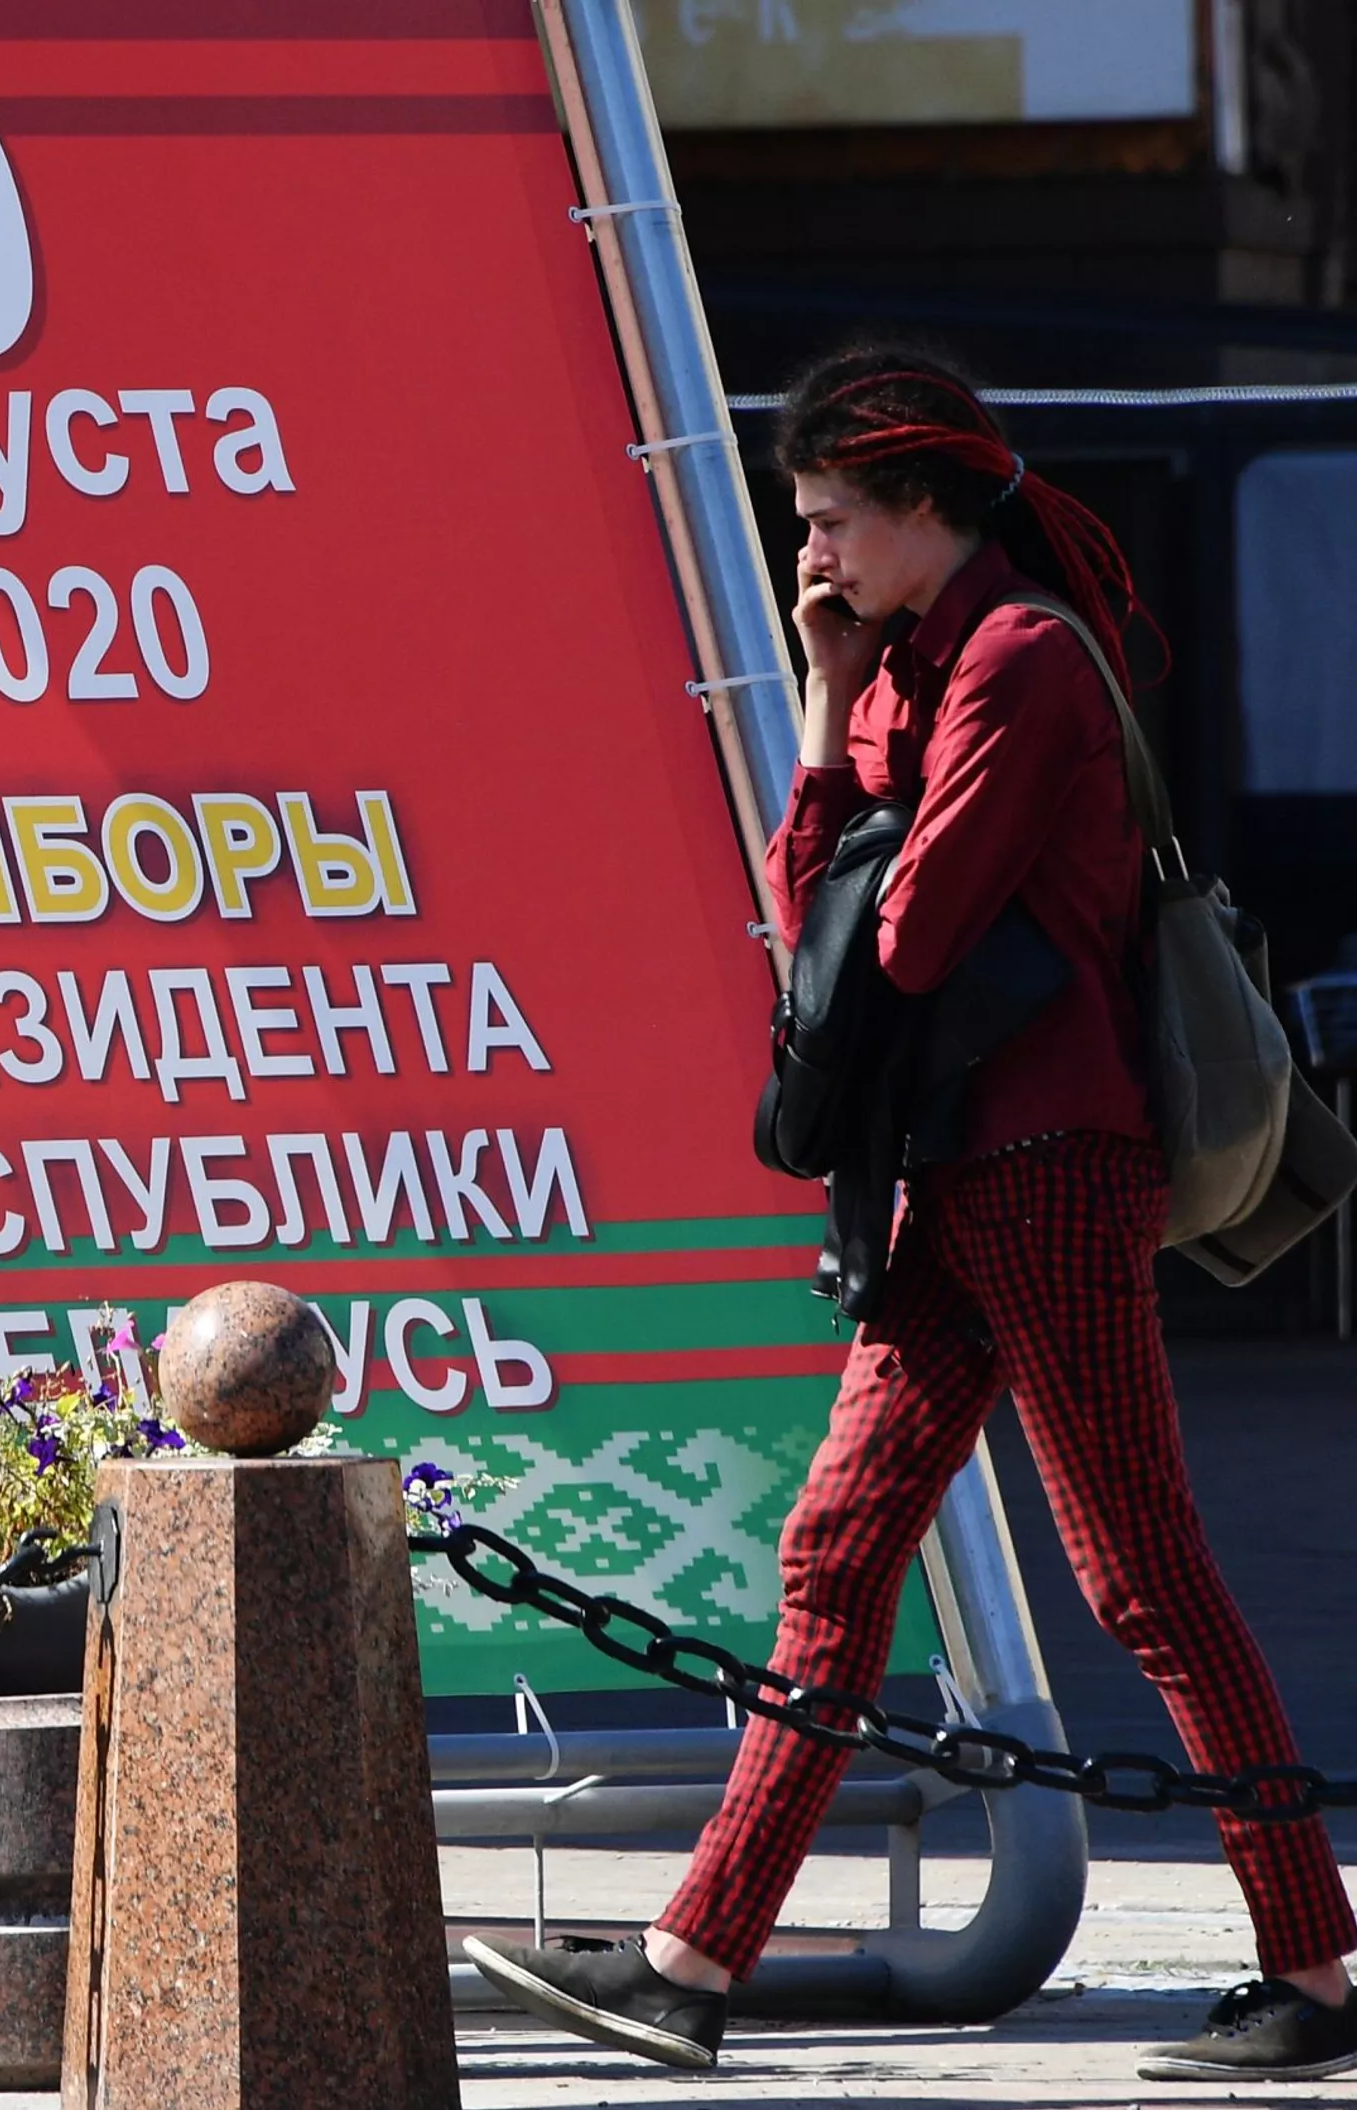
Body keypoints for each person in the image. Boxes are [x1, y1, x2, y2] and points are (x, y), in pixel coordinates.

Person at [465, 347, 1357, 2084]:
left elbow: (903, 940)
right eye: (802, 522)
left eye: (831, 521)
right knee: (837, 1551)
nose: (811, 553)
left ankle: (1317, 1969)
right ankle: (692, 1960)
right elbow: (816, 925)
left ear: (926, 504)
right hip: (950, 1174)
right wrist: (826, 700)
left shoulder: (1019, 660)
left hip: (1051, 1160)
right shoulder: (904, 666)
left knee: (1142, 1572)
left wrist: (863, 817)